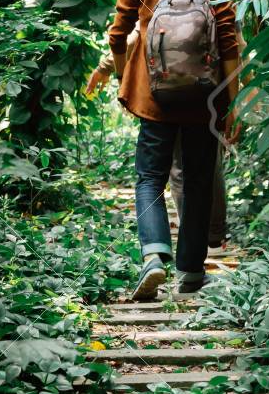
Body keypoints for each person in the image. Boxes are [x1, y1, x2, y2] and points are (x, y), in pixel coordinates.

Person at [104, 0, 240, 299]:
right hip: (203, 98)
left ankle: (152, 256)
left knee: (149, 177)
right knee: (198, 181)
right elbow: (230, 47)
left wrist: (124, 79)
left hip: (154, 96)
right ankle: (192, 273)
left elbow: (117, 34)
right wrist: (231, 104)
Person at [86, 35, 229, 249]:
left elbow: (131, 39)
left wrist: (109, 71)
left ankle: (181, 243)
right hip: (206, 91)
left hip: (162, 92)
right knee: (208, 163)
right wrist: (242, 89)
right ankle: (214, 232)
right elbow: (232, 43)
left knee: (171, 172)